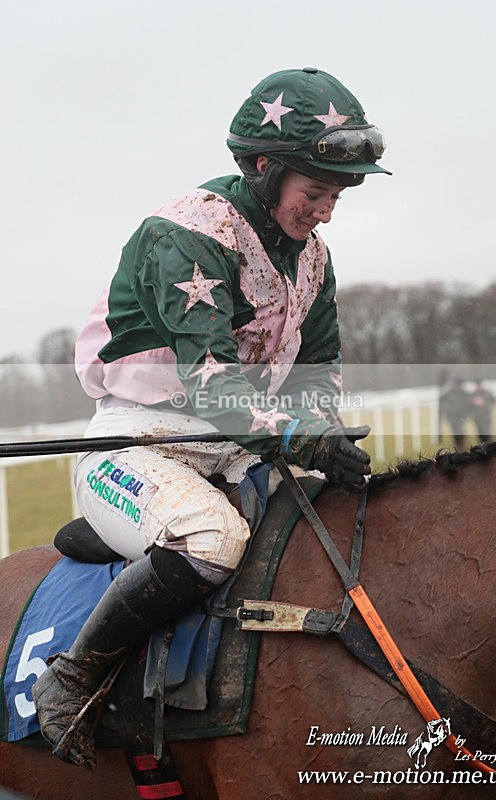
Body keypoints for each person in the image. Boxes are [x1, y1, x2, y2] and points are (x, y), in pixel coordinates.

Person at [32, 67, 391, 767]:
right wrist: (297, 435)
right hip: (142, 441)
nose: (325, 211)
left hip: (234, 451)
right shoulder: (184, 234)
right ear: (263, 167)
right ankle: (72, 676)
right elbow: (209, 384)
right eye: (315, 192)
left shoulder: (313, 258)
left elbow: (318, 369)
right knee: (211, 538)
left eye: (335, 197)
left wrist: (323, 429)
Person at [439, 378, 471, 449]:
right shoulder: (448, 393)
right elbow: (442, 401)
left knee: (460, 432)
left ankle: (462, 447)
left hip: (461, 417)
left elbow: (468, 404)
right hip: (452, 418)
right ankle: (459, 448)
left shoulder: (463, 393)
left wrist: (466, 415)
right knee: (456, 433)